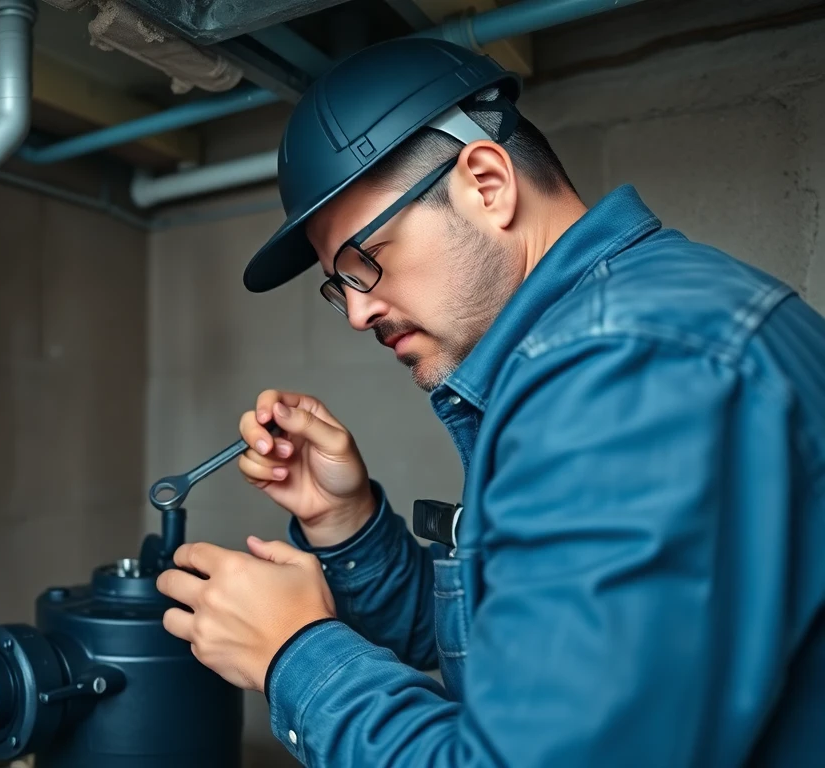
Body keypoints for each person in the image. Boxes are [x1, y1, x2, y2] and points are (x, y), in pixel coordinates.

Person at [153, 36, 825, 767]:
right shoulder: (619, 337)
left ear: (486, 182)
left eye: (364, 262)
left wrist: (295, 657)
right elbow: (517, 661)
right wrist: (346, 526)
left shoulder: (626, 369)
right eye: (337, 283)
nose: (355, 313)